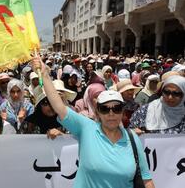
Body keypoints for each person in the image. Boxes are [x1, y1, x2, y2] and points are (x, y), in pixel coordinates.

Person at [32, 57, 154, 188]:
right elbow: (59, 107)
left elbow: (146, 180)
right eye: (105, 109)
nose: (111, 113)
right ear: (97, 113)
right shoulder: (86, 128)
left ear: (123, 112)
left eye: (116, 108)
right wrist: (44, 74)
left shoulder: (132, 139)